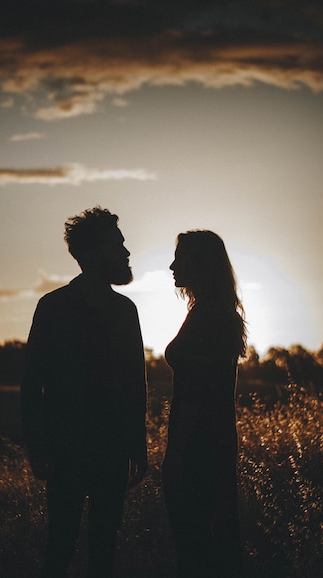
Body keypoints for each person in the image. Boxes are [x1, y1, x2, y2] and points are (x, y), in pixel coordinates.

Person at [21, 206, 148, 578]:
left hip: (112, 451)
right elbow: (32, 384)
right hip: (65, 451)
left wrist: (136, 445)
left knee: (104, 548)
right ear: (92, 254)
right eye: (117, 245)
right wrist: (39, 448)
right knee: (59, 544)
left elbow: (134, 383)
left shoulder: (127, 311)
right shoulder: (53, 307)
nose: (126, 253)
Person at [162, 230, 246, 578]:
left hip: (198, 448)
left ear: (200, 264)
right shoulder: (216, 312)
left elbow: (196, 394)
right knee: (210, 547)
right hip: (215, 444)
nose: (171, 265)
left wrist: (176, 454)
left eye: (179, 258)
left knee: (195, 552)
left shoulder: (208, 317)